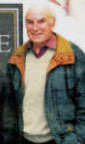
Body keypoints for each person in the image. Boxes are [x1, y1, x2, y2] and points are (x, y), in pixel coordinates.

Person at [7, 4, 85, 144]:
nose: (35, 28)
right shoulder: (17, 57)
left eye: (41, 21)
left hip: (59, 140)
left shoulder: (72, 55)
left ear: (52, 23)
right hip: (23, 139)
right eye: (30, 22)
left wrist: (76, 140)